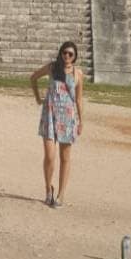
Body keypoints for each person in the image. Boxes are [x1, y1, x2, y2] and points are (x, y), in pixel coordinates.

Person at [30, 41, 83, 208]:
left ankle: (60, 195)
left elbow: (79, 100)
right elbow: (33, 78)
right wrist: (38, 98)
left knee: (65, 158)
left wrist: (81, 121)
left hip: (67, 118)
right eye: (64, 53)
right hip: (50, 115)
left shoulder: (78, 73)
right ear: (60, 53)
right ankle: (48, 190)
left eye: (70, 54)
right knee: (50, 156)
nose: (67, 56)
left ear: (75, 57)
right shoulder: (52, 68)